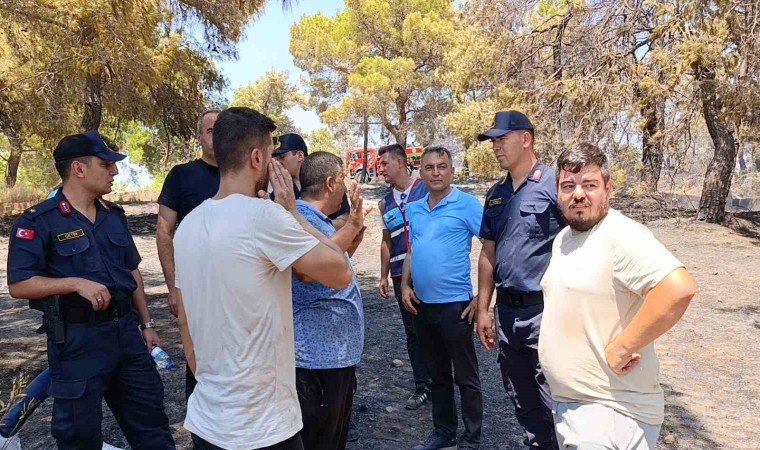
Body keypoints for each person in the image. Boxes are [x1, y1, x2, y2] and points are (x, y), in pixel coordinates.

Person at [173, 107, 354, 450]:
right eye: (272, 156)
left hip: (208, 419)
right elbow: (340, 273)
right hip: (263, 427)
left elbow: (185, 322)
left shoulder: (188, 226)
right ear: (257, 158)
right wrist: (292, 211)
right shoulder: (265, 217)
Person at [6, 131, 175, 449]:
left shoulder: (114, 216)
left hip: (127, 336)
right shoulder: (38, 222)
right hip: (77, 342)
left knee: (152, 429)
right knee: (79, 436)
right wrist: (74, 283)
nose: (115, 171)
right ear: (78, 169)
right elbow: (19, 284)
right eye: (106, 164)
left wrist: (147, 324)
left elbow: (131, 270)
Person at [539, 144, 696, 450]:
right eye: (568, 186)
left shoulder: (621, 234)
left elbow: (678, 288)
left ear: (608, 188)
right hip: (579, 409)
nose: (578, 194)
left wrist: (623, 347)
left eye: (589, 185)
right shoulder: (565, 239)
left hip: (612, 412)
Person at [474, 111, 563, 449]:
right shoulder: (496, 194)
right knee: (521, 397)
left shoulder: (555, 184)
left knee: (555, 400)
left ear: (526, 139)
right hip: (507, 316)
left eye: (502, 139)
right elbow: (488, 254)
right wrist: (483, 310)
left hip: (546, 313)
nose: (495, 147)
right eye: (493, 141)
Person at [401, 146, 483, 450]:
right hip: (422, 306)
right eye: (430, 167)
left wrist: (483, 297)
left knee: (466, 377)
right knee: (437, 375)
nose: (436, 172)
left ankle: (472, 439)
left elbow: (493, 247)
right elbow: (412, 249)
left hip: (456, 306)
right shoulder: (414, 209)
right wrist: (404, 285)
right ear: (421, 173)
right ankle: (444, 433)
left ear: (451, 171)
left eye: (442, 166)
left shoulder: (468, 205)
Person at [293, 152, 369, 450]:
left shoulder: (317, 221)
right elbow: (309, 270)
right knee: (319, 441)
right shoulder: (297, 219)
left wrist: (354, 235)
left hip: (333, 357)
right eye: (343, 178)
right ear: (329, 183)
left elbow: (333, 263)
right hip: (317, 360)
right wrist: (351, 226)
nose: (345, 185)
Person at [156, 109, 220, 401]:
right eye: (211, 130)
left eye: (223, 130)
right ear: (199, 137)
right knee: (199, 360)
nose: (217, 136)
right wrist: (173, 288)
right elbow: (164, 232)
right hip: (196, 288)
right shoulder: (182, 175)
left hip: (239, 287)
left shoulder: (247, 175)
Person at [376, 143, 431, 409]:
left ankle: (443, 381)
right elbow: (386, 241)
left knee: (437, 328)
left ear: (400, 162)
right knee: (413, 332)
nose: (381, 169)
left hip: (430, 272)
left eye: (385, 163)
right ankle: (422, 386)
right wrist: (383, 276)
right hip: (400, 276)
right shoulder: (384, 203)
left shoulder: (426, 188)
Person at [273, 132, 350, 227]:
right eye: (274, 158)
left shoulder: (325, 179)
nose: (277, 162)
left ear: (300, 155)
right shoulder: (280, 190)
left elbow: (344, 219)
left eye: (282, 157)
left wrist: (317, 226)